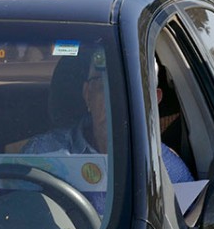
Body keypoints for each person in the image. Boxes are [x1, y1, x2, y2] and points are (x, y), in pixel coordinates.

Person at [23, 51, 194, 211]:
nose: (114, 101)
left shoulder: (168, 171)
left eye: (129, 91)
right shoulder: (41, 153)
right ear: (87, 94)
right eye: (102, 87)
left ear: (153, 100)